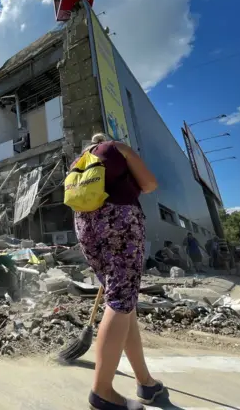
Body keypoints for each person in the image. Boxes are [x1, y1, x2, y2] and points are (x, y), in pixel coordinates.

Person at [73, 133, 164, 409]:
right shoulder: (117, 148)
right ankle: (102, 392)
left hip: (86, 227)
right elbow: (149, 184)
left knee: (123, 304)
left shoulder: (78, 162)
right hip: (119, 221)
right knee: (121, 301)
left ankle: (145, 383)